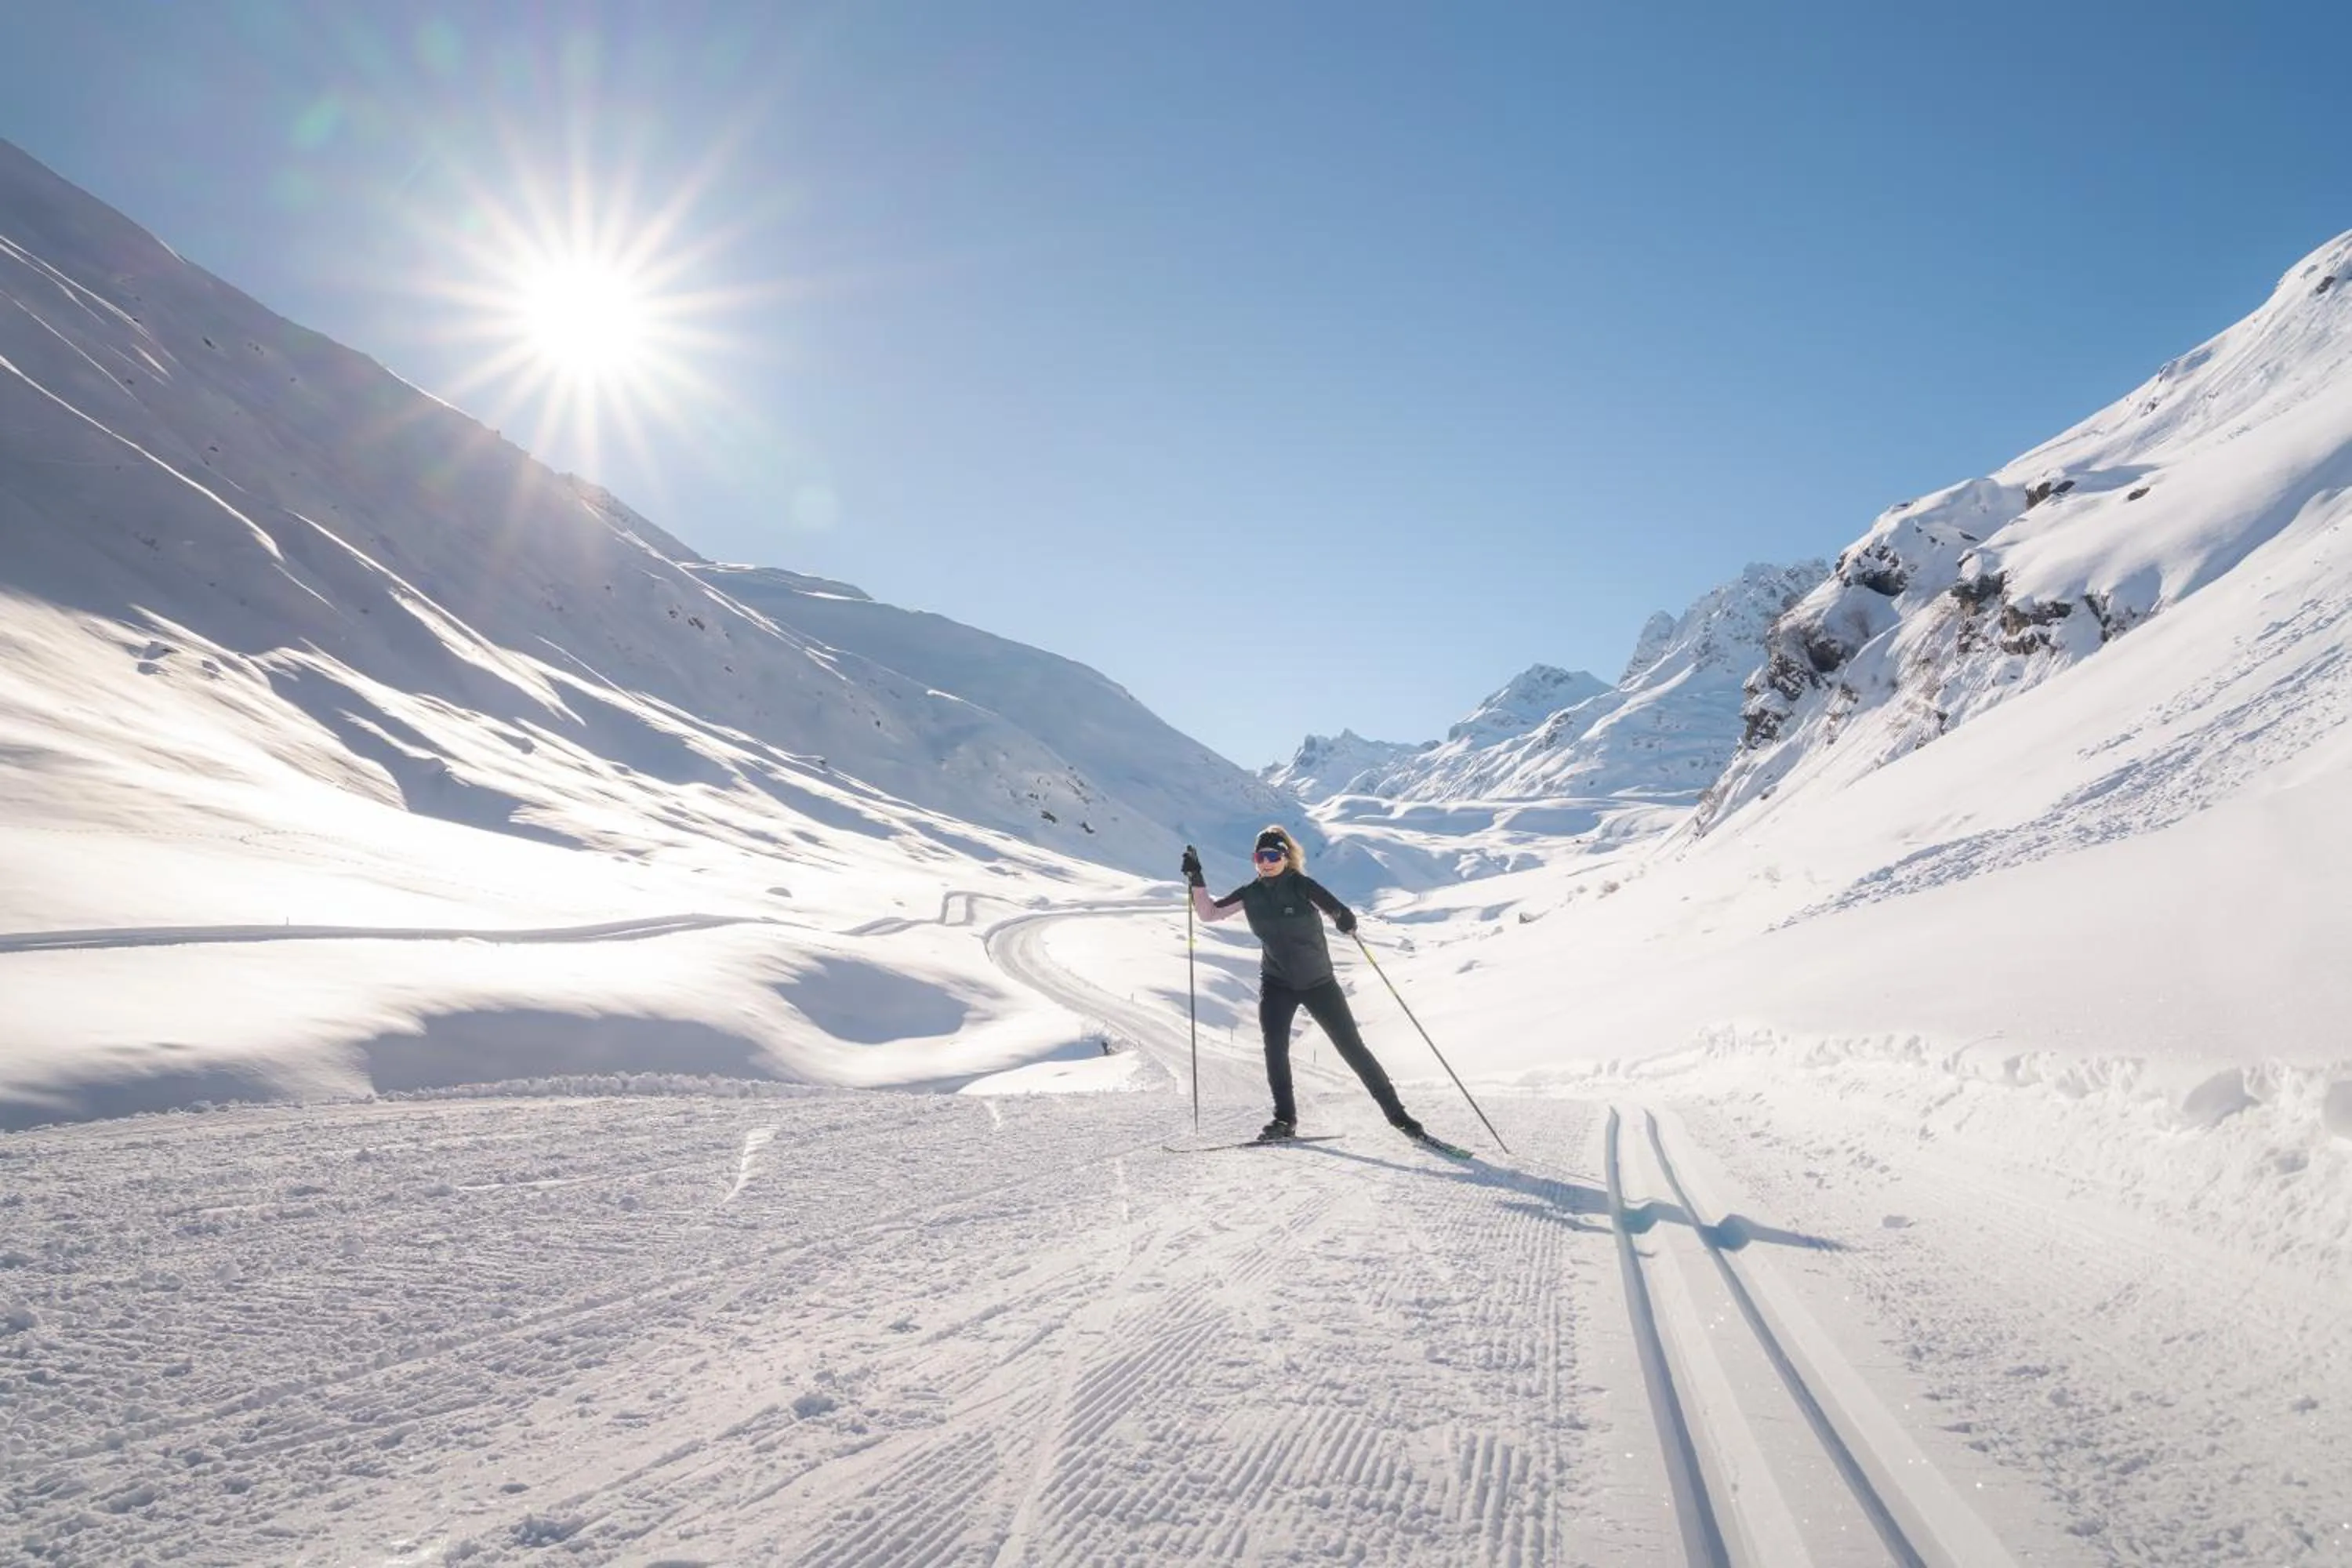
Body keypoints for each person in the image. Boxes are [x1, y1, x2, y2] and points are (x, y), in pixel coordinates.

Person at [1183, 826, 1425, 1143]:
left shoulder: (1302, 886)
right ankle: (1284, 1120)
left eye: (1272, 856)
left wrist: (1344, 918)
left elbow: (1337, 909)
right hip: (1276, 983)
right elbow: (1208, 913)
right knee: (1275, 1050)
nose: (1266, 862)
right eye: (1260, 857)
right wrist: (1196, 877)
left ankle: (1398, 1115)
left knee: (1351, 1048)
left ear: (1285, 857)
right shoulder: (1250, 894)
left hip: (1318, 982)